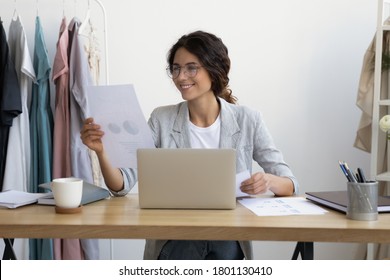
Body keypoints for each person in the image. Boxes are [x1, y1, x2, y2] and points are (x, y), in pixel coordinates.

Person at [80, 30, 299, 260]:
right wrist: (102, 152)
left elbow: (290, 184)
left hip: (227, 237)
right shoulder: (161, 119)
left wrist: (268, 181)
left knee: (223, 245)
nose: (180, 77)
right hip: (174, 237)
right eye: (176, 68)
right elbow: (121, 185)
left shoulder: (248, 120)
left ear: (214, 70)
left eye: (191, 68)